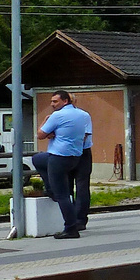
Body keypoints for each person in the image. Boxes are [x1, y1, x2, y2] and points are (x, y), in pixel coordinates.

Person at [38, 90, 91, 239]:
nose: (52, 104)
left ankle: (71, 227)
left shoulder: (57, 116)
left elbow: (41, 134)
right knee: (79, 187)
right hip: (77, 154)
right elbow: (84, 135)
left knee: (63, 194)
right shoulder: (83, 115)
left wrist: (46, 121)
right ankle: (77, 221)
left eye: (55, 102)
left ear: (66, 101)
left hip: (60, 156)